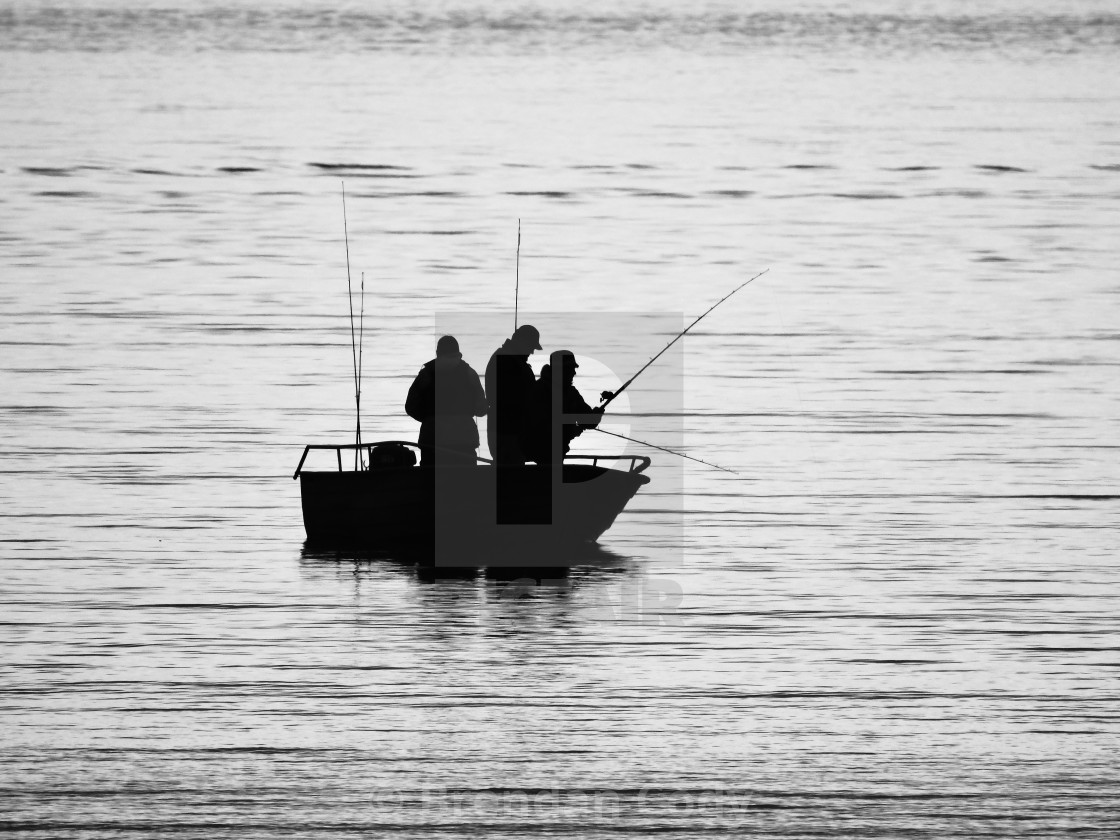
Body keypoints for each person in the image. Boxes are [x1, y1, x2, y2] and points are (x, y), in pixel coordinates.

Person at [405, 335, 488, 467]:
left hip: (432, 440)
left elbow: (410, 406)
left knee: (431, 483)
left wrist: (429, 419)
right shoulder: (469, 373)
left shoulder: (426, 374)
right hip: (463, 441)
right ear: (458, 353)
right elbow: (481, 409)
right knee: (464, 483)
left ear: (438, 352)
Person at [521, 350, 612, 467]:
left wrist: (596, 415)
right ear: (561, 370)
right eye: (570, 369)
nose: (574, 372)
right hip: (538, 448)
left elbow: (588, 421)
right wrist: (572, 430)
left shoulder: (571, 392)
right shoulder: (539, 390)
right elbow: (540, 426)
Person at [484, 324, 541, 466]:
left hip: (509, 431)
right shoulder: (506, 361)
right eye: (531, 347)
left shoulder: (509, 359)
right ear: (522, 342)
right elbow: (512, 398)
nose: (532, 352)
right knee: (511, 478)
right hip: (507, 433)